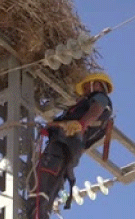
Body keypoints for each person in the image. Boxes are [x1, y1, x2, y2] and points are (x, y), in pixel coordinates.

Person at [28, 73, 115, 219]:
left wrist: (81, 124)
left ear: (98, 84)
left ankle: (36, 214)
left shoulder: (100, 98)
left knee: (45, 176)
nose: (85, 90)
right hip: (68, 149)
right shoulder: (84, 106)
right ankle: (38, 214)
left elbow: (97, 109)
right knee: (51, 183)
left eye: (87, 86)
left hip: (63, 146)